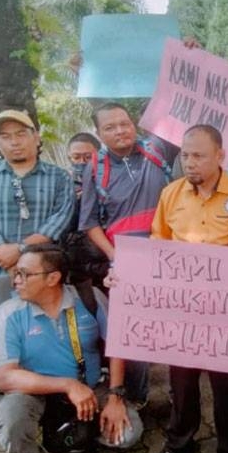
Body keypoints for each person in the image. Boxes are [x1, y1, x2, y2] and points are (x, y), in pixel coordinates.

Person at [137, 124, 228, 453]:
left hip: (225, 306)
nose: (190, 163)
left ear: (220, 157)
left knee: (227, 383)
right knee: (181, 381)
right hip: (182, 306)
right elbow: (158, 241)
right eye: (185, 155)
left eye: (199, 156)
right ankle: (179, 443)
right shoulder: (170, 194)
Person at [0, 244, 143, 453]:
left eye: (24, 274)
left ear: (53, 278)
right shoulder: (10, 313)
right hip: (35, 392)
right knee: (10, 418)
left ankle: (74, 433)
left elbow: (118, 343)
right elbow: (4, 377)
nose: (16, 280)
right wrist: (67, 385)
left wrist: (116, 397)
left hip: (92, 387)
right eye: (17, 274)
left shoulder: (88, 297)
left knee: (130, 434)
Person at [76, 103, 177, 403]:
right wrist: (113, 256)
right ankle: (136, 399)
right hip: (126, 262)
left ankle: (180, 393)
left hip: (169, 258)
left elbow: (179, 106)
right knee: (134, 335)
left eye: (125, 123)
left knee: (175, 328)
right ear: (99, 133)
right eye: (110, 127)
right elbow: (89, 223)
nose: (120, 130)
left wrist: (188, 57)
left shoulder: (158, 149)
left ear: (134, 123)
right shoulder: (94, 168)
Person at [0, 110, 75, 318]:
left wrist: (21, 250)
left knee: (51, 338)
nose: (14, 142)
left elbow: (61, 219)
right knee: (6, 341)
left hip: (46, 277)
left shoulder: (59, 177)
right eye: (5, 137)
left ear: (36, 137)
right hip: (0, 274)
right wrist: (3, 255)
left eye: (20, 134)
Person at [62, 132, 104, 314]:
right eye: (76, 157)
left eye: (88, 157)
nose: (81, 162)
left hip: (104, 257)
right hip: (75, 264)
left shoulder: (109, 180)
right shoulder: (62, 185)